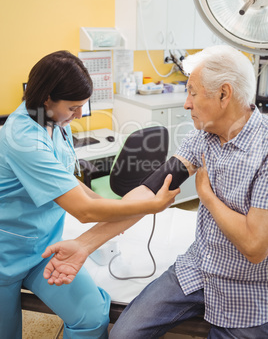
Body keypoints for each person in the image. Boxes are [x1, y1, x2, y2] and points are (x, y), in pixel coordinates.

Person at [41, 46, 268, 338]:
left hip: (246, 290)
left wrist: (207, 197)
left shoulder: (264, 152)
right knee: (122, 335)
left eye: (193, 93)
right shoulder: (203, 137)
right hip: (197, 269)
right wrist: (84, 245)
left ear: (224, 94)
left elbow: (254, 246)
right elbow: (149, 192)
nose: (187, 104)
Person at [0, 50, 180, 339]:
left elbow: (68, 182)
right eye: (73, 107)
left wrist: (111, 206)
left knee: (93, 314)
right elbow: (82, 211)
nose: (79, 115)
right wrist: (148, 206)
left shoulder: (55, 124)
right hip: (5, 253)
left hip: (45, 246)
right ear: (47, 98)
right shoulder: (22, 137)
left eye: (82, 106)